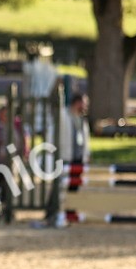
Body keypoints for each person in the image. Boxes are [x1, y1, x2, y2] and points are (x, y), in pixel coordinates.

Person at [45, 93, 89, 228]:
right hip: (64, 156)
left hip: (78, 157)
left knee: (74, 187)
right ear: (77, 103)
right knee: (59, 186)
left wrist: (86, 154)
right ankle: (52, 212)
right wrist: (51, 151)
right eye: (84, 103)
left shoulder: (81, 119)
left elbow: (85, 138)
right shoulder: (63, 115)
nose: (85, 107)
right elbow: (52, 132)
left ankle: (70, 212)